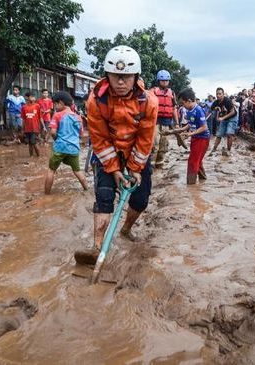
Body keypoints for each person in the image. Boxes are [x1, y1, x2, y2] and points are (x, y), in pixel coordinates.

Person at [74, 45, 158, 266]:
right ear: (107, 75)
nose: (121, 82)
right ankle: (97, 248)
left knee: (140, 200)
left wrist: (134, 169)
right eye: (116, 76)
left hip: (136, 152)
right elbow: (99, 139)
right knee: (104, 197)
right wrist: (114, 169)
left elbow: (145, 139)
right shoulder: (96, 101)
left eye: (126, 77)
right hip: (108, 151)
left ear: (135, 76)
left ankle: (126, 229)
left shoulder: (148, 102)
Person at [44, 91, 88, 194]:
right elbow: (81, 135)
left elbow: (53, 132)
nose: (54, 107)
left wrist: (57, 140)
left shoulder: (57, 115)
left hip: (60, 147)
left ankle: (46, 195)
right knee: (77, 171)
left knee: (51, 170)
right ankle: (86, 189)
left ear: (61, 103)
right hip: (74, 148)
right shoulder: (78, 117)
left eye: (55, 104)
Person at [166, 88, 210, 184]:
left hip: (202, 139)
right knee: (197, 160)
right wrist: (179, 130)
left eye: (183, 103)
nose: (182, 106)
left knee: (192, 161)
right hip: (196, 138)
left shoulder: (198, 110)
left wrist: (190, 134)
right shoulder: (190, 110)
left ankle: (191, 186)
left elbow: (204, 127)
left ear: (189, 101)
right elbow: (190, 124)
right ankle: (203, 180)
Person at [152, 70, 179, 168]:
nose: (165, 82)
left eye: (167, 81)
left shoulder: (172, 93)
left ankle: (159, 165)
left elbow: (174, 109)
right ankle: (151, 167)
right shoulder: (153, 91)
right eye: (163, 81)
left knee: (163, 145)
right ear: (158, 81)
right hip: (155, 122)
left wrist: (177, 123)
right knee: (154, 145)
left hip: (166, 122)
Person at [210, 87, 237, 156]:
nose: (218, 95)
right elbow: (211, 110)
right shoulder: (216, 102)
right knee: (219, 134)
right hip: (224, 119)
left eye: (220, 94)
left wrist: (222, 118)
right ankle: (214, 149)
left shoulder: (227, 101)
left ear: (223, 94)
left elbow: (233, 112)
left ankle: (228, 150)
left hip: (232, 117)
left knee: (229, 133)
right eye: (217, 94)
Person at [21, 92, 45, 157]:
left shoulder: (37, 106)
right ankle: (31, 157)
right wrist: (22, 129)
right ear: (27, 98)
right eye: (32, 97)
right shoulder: (24, 107)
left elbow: (40, 117)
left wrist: (44, 127)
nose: (33, 98)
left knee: (34, 143)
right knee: (30, 144)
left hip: (35, 128)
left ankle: (38, 157)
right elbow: (23, 119)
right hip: (27, 129)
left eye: (34, 97)